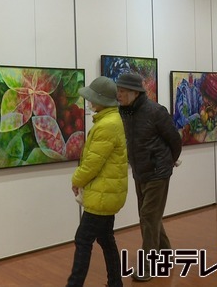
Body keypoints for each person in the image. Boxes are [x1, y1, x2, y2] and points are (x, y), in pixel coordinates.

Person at [116, 73, 182, 282]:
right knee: (150, 217)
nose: (118, 94)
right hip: (139, 171)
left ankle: (147, 266)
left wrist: (169, 161)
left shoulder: (155, 111)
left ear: (135, 92)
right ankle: (166, 253)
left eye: (122, 91)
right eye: (118, 90)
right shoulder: (124, 112)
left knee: (147, 217)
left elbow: (174, 139)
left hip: (158, 173)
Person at [67, 77, 128, 287]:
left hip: (102, 194)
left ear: (102, 100)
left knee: (83, 240)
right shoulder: (110, 121)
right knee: (105, 239)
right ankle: (115, 282)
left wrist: (76, 180)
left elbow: (92, 163)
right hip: (107, 192)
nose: (89, 102)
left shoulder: (107, 125)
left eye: (92, 98)